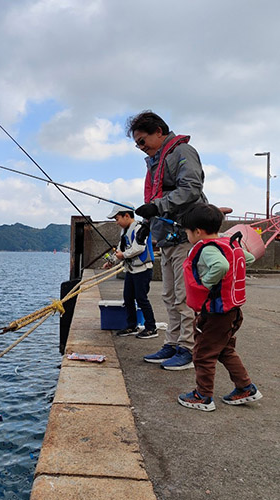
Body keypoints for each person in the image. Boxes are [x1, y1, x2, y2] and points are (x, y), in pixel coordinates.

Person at [126, 111, 207, 370]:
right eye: (137, 143)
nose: (140, 148)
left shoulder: (182, 152)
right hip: (168, 239)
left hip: (186, 235)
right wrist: (146, 227)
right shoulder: (155, 162)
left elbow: (191, 188)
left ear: (159, 131)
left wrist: (156, 207)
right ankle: (172, 342)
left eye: (142, 141)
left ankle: (188, 348)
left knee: (185, 297)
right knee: (169, 295)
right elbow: (156, 202)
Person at [177, 203, 262, 411]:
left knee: (203, 354)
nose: (188, 236)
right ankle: (245, 387)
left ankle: (203, 396)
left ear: (197, 231)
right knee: (224, 349)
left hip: (216, 313)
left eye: (188, 232)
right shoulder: (228, 244)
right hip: (232, 311)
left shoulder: (207, 249)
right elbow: (248, 257)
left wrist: (205, 283)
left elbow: (221, 266)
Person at [103, 203, 158, 339]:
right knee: (128, 298)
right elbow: (121, 249)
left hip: (143, 270)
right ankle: (131, 325)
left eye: (117, 219)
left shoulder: (141, 228)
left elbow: (138, 248)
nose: (116, 223)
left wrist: (124, 255)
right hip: (131, 270)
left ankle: (151, 328)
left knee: (141, 299)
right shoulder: (124, 231)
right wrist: (111, 262)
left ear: (126, 215)